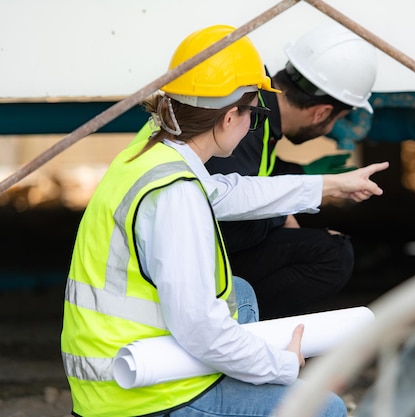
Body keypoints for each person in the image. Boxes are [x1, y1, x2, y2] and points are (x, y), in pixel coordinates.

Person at [60, 24, 388, 417]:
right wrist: (280, 364)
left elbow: (226, 191)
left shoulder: (154, 151)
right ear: (231, 116)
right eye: (253, 112)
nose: (255, 123)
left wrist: (328, 185)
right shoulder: (175, 195)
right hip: (141, 395)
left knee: (241, 295)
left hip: (116, 364)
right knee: (326, 409)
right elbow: (200, 329)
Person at [133, 23, 379, 319]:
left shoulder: (251, 123)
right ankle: (245, 326)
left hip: (164, 265)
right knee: (331, 255)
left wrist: (303, 177)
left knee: (322, 247)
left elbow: (236, 186)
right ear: (322, 112)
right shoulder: (243, 124)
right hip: (181, 272)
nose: (248, 114)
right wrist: (281, 217)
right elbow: (226, 214)